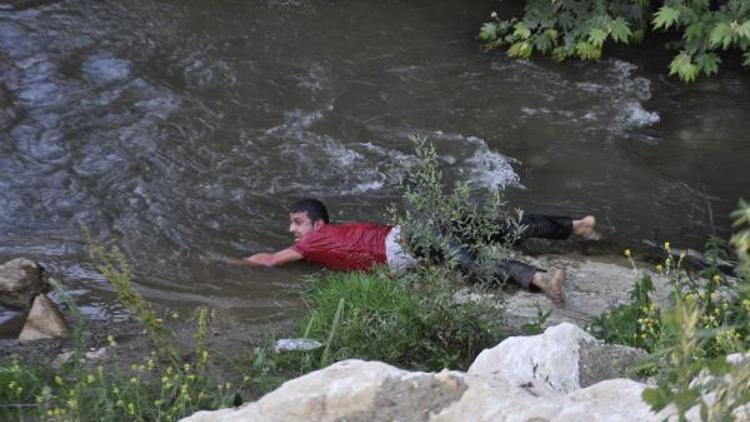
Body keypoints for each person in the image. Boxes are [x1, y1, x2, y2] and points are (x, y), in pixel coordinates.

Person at [232, 198, 600, 304]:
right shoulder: (337, 235)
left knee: (470, 262)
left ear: (316, 224)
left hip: (406, 241)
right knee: (494, 227)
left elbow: (268, 261)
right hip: (411, 236)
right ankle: (577, 226)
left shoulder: (314, 241)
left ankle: (539, 278)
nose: (291, 231)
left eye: (296, 222)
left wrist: (225, 263)